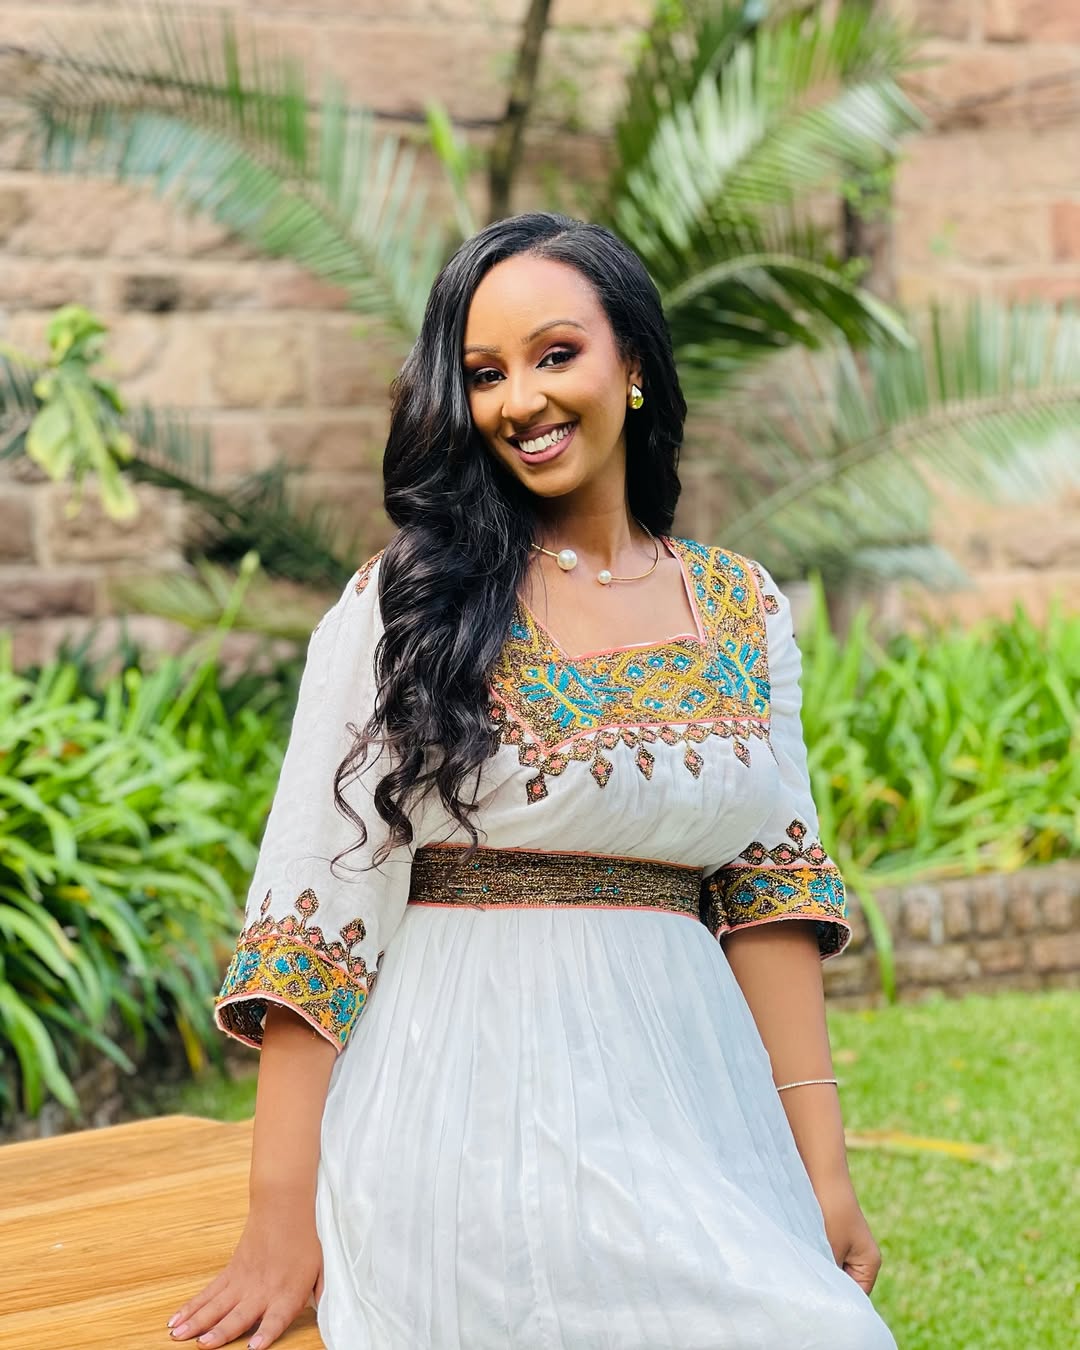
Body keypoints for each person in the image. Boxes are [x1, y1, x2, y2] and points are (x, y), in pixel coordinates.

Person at [167, 212, 898, 1350]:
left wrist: (821, 1167)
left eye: (557, 355)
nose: (521, 400)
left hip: (695, 1113)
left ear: (636, 365)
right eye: (485, 374)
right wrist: (277, 1221)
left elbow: (770, 896)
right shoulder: (406, 604)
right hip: (464, 1104)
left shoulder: (745, 609)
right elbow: (321, 905)